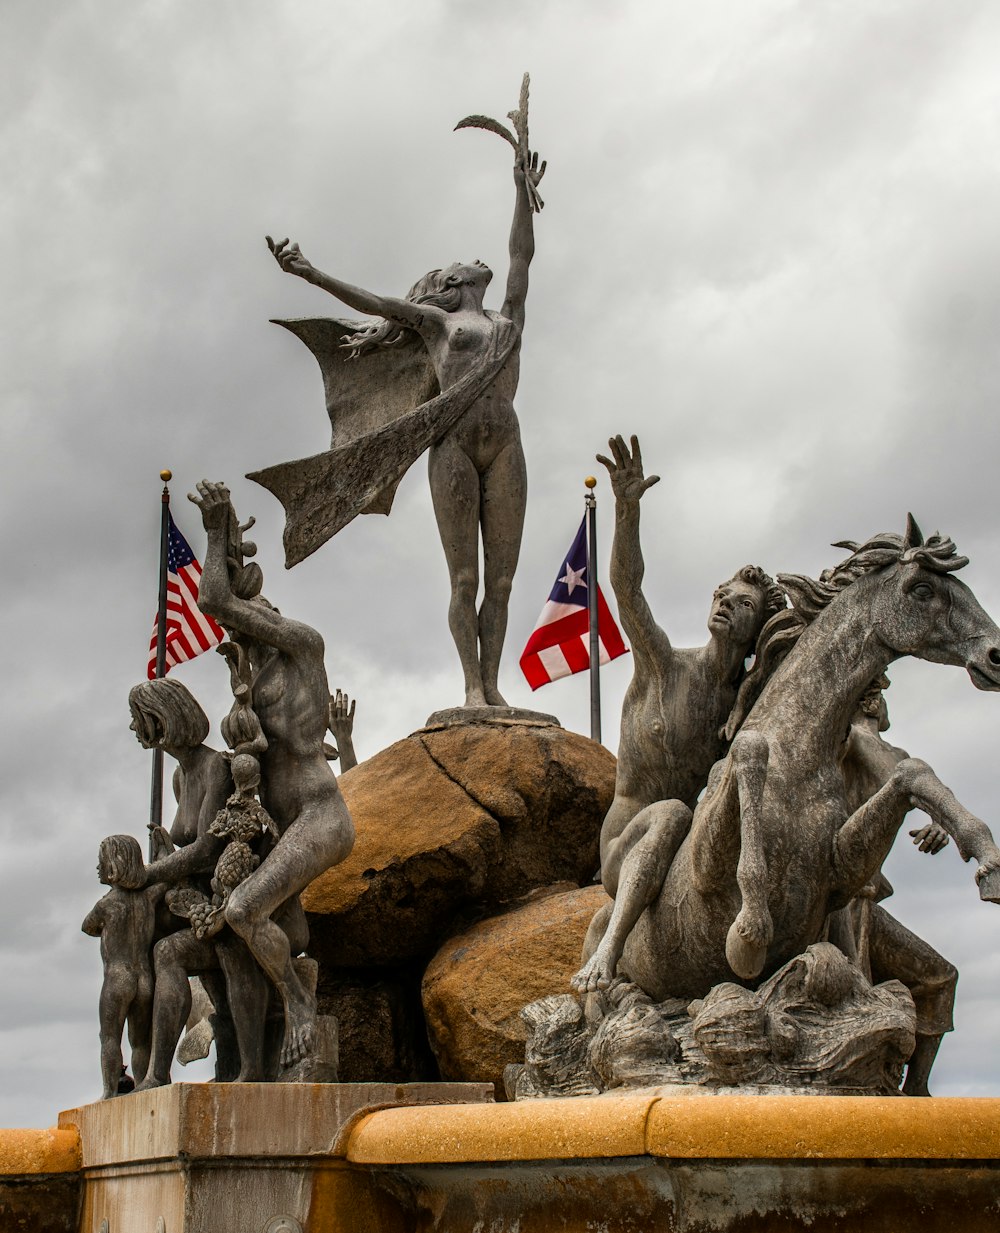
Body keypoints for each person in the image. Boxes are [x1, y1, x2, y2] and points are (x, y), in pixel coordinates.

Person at [266, 146, 546, 709]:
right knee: (465, 579)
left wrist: (521, 189)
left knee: (504, 582)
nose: (477, 259)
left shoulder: (508, 316)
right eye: (465, 261)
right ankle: (472, 687)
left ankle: (493, 685)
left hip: (506, 443)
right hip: (454, 447)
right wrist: (310, 272)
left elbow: (521, 256)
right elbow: (378, 302)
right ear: (452, 281)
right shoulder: (440, 323)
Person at [572, 435, 783, 993]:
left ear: (757, 629)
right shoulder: (664, 666)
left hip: (694, 855)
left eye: (742, 604)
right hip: (628, 847)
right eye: (721, 594)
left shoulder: (750, 700)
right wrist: (628, 508)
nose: (723, 604)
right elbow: (626, 588)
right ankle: (609, 952)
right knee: (669, 812)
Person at [186, 479, 355, 1068]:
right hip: (279, 826)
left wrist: (214, 531)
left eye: (249, 618)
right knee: (265, 925)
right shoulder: (251, 685)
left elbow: (214, 602)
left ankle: (299, 1004)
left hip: (320, 816)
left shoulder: (304, 649)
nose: (239, 631)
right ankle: (274, 1014)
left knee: (241, 910)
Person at [82, 835, 165, 1098]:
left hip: (117, 977)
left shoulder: (107, 904)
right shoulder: (148, 898)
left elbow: (88, 927)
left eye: (101, 862)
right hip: (144, 978)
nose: (98, 868)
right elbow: (165, 878)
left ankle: (109, 1092)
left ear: (114, 867)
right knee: (140, 1041)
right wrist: (162, 853)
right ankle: (143, 1088)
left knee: (109, 1038)